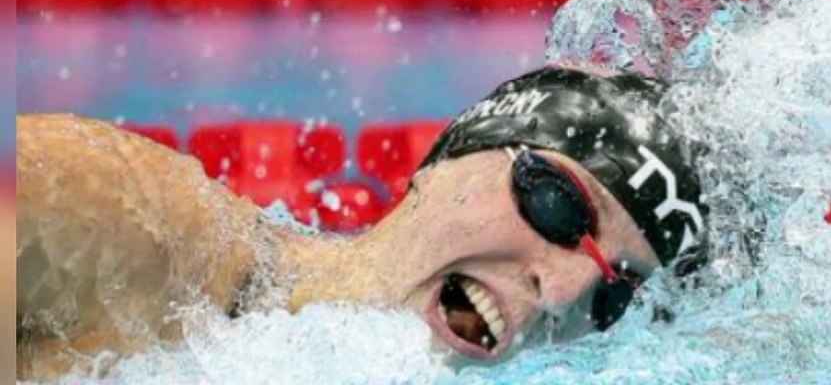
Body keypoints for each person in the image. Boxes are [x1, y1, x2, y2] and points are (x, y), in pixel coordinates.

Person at [17, 65, 708, 381]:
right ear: (454, 153)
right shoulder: (132, 228)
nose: (562, 293)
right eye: (560, 207)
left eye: (616, 295)